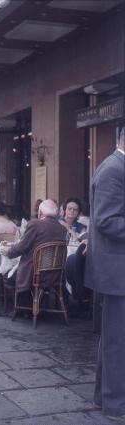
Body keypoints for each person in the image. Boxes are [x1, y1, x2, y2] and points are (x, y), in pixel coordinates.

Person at [84, 126, 125, 422]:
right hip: (117, 271)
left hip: (115, 270)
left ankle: (106, 399)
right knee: (118, 341)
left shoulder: (113, 166)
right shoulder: (114, 169)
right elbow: (108, 220)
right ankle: (116, 405)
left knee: (114, 339)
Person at [0, 199, 67, 293]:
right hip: (55, 274)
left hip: (33, 273)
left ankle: (20, 303)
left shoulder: (35, 224)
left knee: (6, 274)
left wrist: (8, 252)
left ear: (40, 212)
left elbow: (22, 247)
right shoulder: (62, 228)